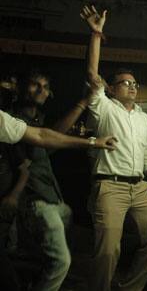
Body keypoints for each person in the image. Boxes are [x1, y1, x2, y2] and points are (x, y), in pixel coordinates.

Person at [82, 4, 147, 291]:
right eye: (124, 83)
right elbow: (93, 75)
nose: (131, 86)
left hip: (140, 188)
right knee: (107, 251)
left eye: (134, 83)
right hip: (110, 187)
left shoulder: (142, 118)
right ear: (113, 89)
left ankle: (130, 288)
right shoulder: (104, 108)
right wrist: (96, 34)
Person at [10, 69, 93, 291]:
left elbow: (51, 136)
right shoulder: (13, 120)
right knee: (60, 262)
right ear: (18, 87)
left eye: (45, 87)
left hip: (52, 199)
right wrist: (93, 142)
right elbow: (44, 138)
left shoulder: (37, 120)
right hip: (35, 201)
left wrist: (84, 102)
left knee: (52, 255)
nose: (41, 90)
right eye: (35, 85)